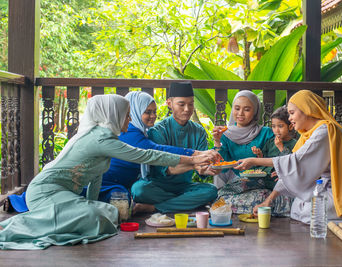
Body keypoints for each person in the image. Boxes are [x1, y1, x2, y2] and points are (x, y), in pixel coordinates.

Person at [0, 95, 214, 250]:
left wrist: (94, 204)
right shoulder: (100, 138)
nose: (129, 121)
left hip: (60, 194)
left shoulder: (105, 138)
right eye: (126, 116)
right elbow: (148, 155)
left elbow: (95, 179)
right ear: (114, 115)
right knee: (103, 216)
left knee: (106, 213)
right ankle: (17, 227)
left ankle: (65, 218)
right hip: (44, 192)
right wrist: (194, 159)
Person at [235, 90, 342, 224]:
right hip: (331, 188)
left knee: (307, 210)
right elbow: (293, 168)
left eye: (292, 113)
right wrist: (268, 201)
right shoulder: (310, 133)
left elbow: (295, 163)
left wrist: (254, 160)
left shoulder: (325, 131)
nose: (289, 119)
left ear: (307, 110)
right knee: (298, 206)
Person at [132, 82, 220, 213]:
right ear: (169, 103)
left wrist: (205, 169)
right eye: (181, 104)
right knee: (139, 190)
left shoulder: (199, 131)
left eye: (191, 104)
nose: (187, 109)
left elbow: (202, 169)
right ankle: (184, 203)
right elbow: (166, 170)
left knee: (211, 191)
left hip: (184, 186)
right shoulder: (157, 131)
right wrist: (195, 164)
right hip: (158, 185)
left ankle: (155, 207)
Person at [212, 91, 292, 214]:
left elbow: (278, 159)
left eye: (247, 109)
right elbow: (222, 168)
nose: (240, 113)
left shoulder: (266, 132)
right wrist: (217, 142)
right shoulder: (225, 135)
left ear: (255, 112)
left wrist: (260, 157)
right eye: (237, 108)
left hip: (264, 183)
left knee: (264, 196)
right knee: (223, 198)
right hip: (237, 185)